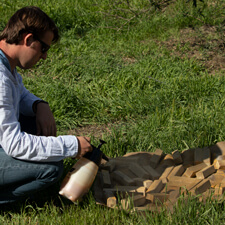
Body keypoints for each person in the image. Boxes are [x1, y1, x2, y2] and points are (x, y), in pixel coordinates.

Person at [0, 6, 92, 204]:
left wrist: (39, 105)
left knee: (38, 130)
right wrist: (72, 145)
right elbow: (14, 144)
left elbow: (19, 95)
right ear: (28, 39)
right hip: (7, 143)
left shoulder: (6, 64)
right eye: (44, 48)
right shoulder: (0, 77)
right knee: (51, 169)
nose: (44, 56)